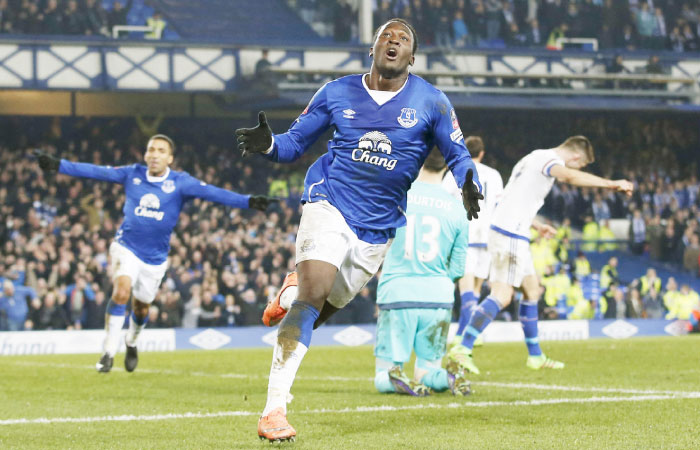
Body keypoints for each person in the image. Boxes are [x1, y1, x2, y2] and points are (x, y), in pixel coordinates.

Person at [235, 18, 482, 443]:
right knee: (314, 296)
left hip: (378, 226)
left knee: (322, 308)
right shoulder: (336, 91)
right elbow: (294, 143)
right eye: (387, 35)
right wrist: (270, 145)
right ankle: (273, 409)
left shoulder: (432, 101)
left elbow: (457, 152)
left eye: (403, 39)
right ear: (373, 47)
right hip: (329, 199)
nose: (394, 41)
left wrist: (468, 180)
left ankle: (292, 292)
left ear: (412, 56)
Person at [34, 134, 276, 373]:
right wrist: (58, 165)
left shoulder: (181, 182)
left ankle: (132, 341)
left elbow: (213, 193)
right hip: (125, 246)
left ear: (170, 158)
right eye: (151, 150)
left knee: (140, 309)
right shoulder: (133, 173)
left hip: (155, 259)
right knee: (121, 291)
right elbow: (97, 171)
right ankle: (108, 352)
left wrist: (249, 202)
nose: (154, 155)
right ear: (145, 154)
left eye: (161, 151)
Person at [447, 136, 633, 374]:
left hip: (513, 230)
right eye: (581, 165)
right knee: (502, 295)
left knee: (532, 290)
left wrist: (536, 225)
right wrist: (611, 184)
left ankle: (535, 356)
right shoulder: (551, 160)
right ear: (576, 157)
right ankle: (463, 347)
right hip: (510, 233)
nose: (578, 169)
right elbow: (570, 176)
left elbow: (512, 198)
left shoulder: (533, 156)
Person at [374, 148, 471, 397]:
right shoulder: (458, 209)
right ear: (447, 168)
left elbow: (373, 243)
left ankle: (395, 379)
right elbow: (458, 268)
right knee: (427, 372)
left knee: (383, 376)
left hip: (398, 294)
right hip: (438, 297)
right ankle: (448, 376)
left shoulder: (394, 198)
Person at [442, 136, 503, 363]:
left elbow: (445, 202)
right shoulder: (494, 175)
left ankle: (465, 335)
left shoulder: (453, 172)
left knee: (465, 285)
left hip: (464, 231)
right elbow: (498, 205)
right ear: (482, 153)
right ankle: (466, 334)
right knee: (477, 286)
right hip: (487, 235)